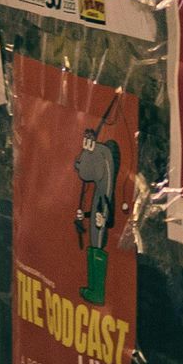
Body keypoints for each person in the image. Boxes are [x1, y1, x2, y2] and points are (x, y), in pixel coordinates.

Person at [72, 123, 121, 306]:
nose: (79, 163)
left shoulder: (106, 193)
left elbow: (107, 210)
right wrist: (83, 215)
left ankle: (98, 291)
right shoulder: (100, 191)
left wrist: (105, 219)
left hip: (101, 222)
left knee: (98, 245)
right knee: (93, 245)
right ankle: (93, 288)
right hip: (96, 219)